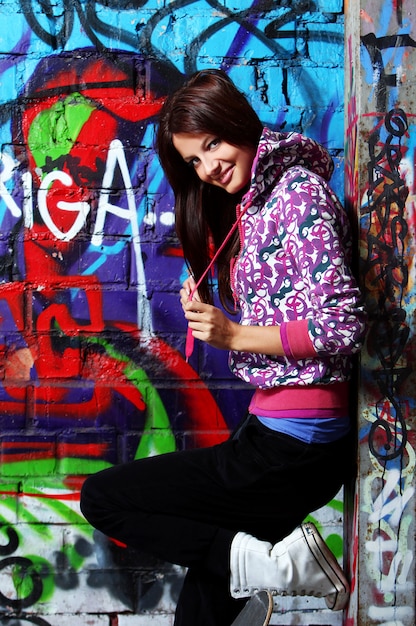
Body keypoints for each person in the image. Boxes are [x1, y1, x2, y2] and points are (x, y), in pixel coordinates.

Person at [80, 69, 367, 626]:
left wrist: (233, 334)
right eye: (193, 161)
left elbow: (340, 325)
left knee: (104, 498)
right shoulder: (256, 206)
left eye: (211, 144)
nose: (208, 167)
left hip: (291, 448)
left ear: (236, 122)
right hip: (277, 437)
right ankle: (258, 565)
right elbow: (293, 316)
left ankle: (274, 569)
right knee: (204, 608)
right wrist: (224, 311)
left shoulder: (297, 194)